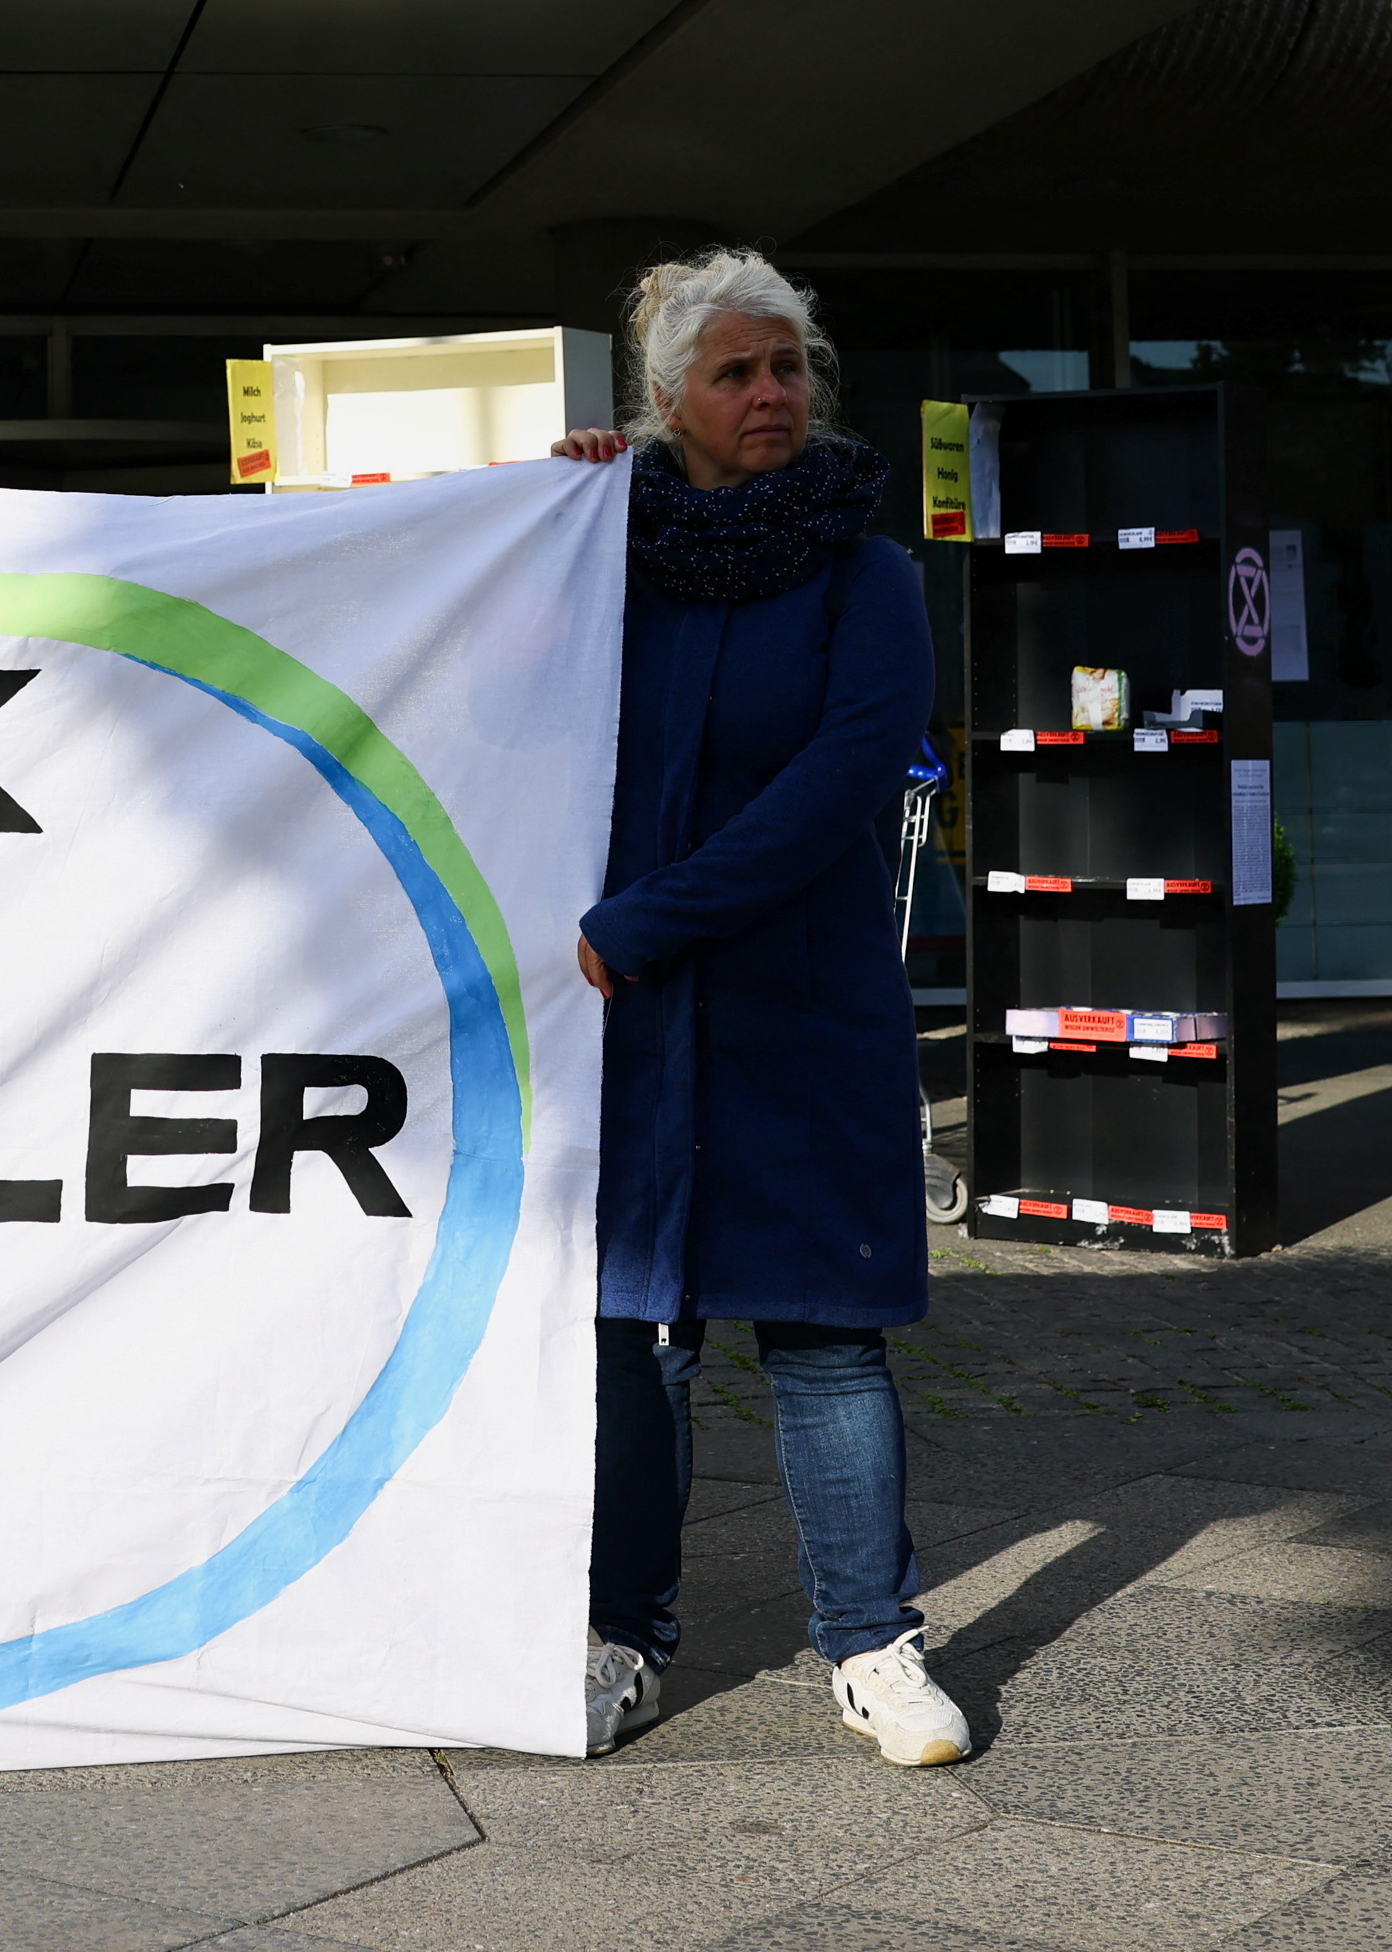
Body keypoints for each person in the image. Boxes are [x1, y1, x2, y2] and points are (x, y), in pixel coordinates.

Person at [543, 250, 966, 1772]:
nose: (772, 394)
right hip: (635, 1026)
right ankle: (621, 1639)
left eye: (787, 366)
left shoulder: (867, 573)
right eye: (735, 373)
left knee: (828, 1337)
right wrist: (562, 495)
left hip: (796, 1009)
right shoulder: (602, 548)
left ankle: (874, 1644)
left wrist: (643, 920)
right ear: (667, 403)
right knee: (634, 1340)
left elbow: (838, 785)